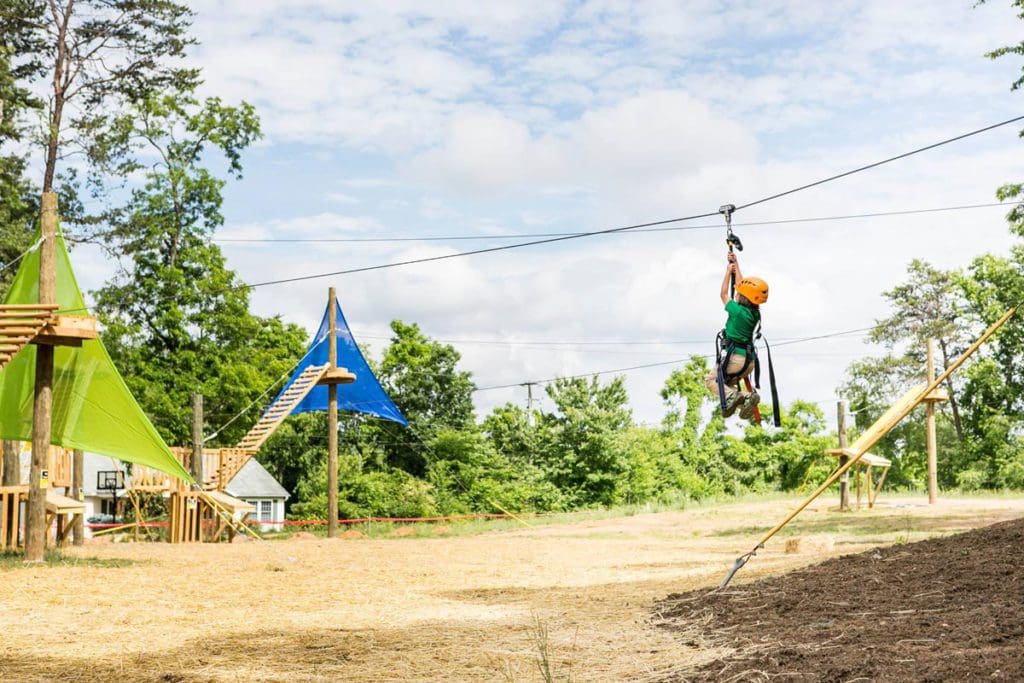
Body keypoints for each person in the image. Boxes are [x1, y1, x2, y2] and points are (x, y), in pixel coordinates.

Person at [705, 253, 769, 420]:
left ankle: (744, 396)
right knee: (726, 387)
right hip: (749, 362)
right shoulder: (754, 313)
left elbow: (723, 295)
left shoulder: (737, 311)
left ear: (743, 296)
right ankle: (743, 401)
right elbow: (742, 287)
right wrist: (736, 265)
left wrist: (727, 272)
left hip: (734, 360)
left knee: (712, 381)